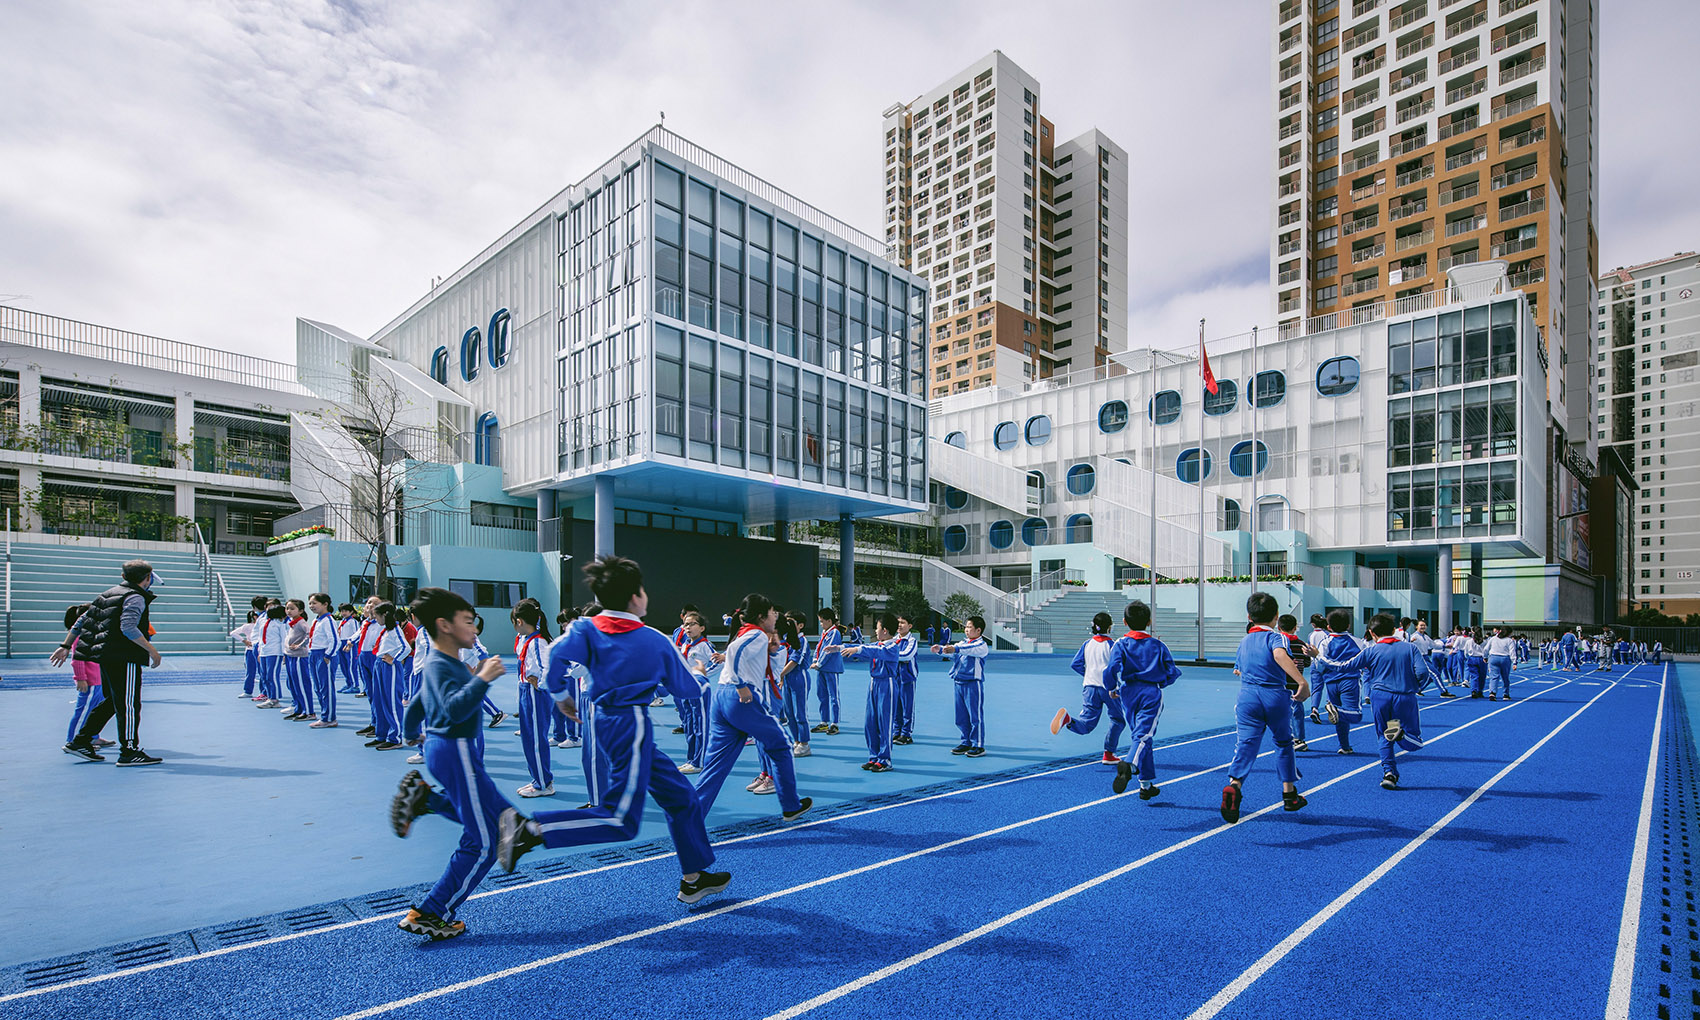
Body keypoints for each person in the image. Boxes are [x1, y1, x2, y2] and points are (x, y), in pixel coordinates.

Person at [495, 555, 731, 906]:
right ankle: (530, 830)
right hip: (630, 724)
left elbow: (555, 661)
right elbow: (688, 690)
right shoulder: (653, 639)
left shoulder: (585, 628)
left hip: (606, 720)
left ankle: (693, 877)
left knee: (682, 799)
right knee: (621, 821)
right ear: (636, 597)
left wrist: (560, 696)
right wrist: (698, 671)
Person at [387, 586, 510, 940]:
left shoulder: (442, 663)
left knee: (498, 826)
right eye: (468, 622)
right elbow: (455, 707)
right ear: (444, 625)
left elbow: (419, 703)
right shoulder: (444, 663)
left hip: (447, 750)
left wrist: (412, 733)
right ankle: (433, 911)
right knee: (488, 840)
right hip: (455, 751)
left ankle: (428, 800)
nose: (475, 629)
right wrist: (483, 679)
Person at [693, 593, 812, 819]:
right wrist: (740, 685)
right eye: (771, 613)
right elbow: (736, 651)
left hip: (722, 698)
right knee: (782, 745)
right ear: (760, 616)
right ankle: (790, 805)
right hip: (741, 698)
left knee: (716, 763)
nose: (774, 616)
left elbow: (739, 651)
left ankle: (692, 813)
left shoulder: (749, 632)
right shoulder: (756, 633)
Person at [55, 559, 164, 766]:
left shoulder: (106, 594)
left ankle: (81, 741)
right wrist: (152, 651)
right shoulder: (136, 597)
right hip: (125, 656)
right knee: (129, 704)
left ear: (123, 577)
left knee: (113, 702)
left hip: (104, 655)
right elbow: (129, 627)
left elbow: (81, 621)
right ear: (148, 578)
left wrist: (66, 645)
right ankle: (129, 750)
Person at [1219, 593, 1310, 823]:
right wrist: (1301, 681)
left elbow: (1238, 669)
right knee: (1283, 742)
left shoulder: (1244, 641)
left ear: (1249, 616)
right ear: (1276, 617)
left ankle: (1235, 785)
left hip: (1247, 696)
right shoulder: (1277, 638)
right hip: (1274, 694)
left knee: (1247, 743)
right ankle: (1289, 793)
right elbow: (1279, 655)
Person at [1326, 613, 1427, 790]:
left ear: (1372, 633)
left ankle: (1389, 772)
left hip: (1380, 697)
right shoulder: (1410, 649)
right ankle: (1401, 735)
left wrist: (1319, 657)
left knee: (1383, 735)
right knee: (1415, 741)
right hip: (1404, 696)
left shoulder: (1371, 651)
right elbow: (1423, 673)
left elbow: (1344, 666)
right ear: (1394, 630)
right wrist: (1415, 687)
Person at [1101, 600, 1181, 799]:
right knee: (1143, 736)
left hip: (1127, 693)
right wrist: (1161, 683)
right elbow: (1172, 672)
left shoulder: (1120, 643)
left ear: (1124, 622)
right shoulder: (1158, 645)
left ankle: (1145, 785)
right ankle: (1130, 765)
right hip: (1150, 692)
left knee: (1141, 736)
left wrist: (1112, 687)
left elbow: (1111, 669)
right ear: (1149, 621)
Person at [1051, 612, 1129, 766]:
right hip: (1109, 688)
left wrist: (1087, 674)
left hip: (1089, 687)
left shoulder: (1087, 644)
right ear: (1110, 627)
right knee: (1118, 720)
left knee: (1087, 724)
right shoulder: (1112, 645)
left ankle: (1068, 720)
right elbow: (1117, 666)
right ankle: (1109, 753)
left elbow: (1075, 664)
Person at [832, 613, 902, 772]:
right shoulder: (878, 644)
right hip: (874, 683)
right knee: (870, 722)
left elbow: (876, 652)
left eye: (876, 628)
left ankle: (885, 760)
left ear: (884, 630)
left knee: (885, 723)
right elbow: (870, 649)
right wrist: (839, 648)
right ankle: (874, 757)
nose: (875, 632)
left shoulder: (892, 646)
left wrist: (857, 649)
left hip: (887, 684)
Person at [512, 602, 556, 798]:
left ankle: (543, 784)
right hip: (526, 690)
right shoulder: (526, 639)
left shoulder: (538, 642)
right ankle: (538, 778)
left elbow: (547, 667)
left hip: (535, 693)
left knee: (537, 739)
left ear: (519, 621)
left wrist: (540, 685)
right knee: (529, 738)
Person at [1309, 608, 1366, 754]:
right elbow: (1366, 660)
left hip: (1331, 682)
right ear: (1348, 625)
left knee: (1340, 716)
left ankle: (1345, 746)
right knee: (1354, 714)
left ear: (1329, 627)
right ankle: (1338, 714)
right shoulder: (1358, 642)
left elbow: (1319, 664)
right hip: (1350, 681)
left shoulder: (1325, 642)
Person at [934, 614, 990, 756]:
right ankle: (966, 741)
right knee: (961, 715)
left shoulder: (981, 645)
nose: (966, 629)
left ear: (978, 630)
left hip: (972, 683)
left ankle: (978, 744)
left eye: (969, 627)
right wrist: (940, 650)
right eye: (966, 627)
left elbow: (967, 650)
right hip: (958, 682)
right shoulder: (962, 644)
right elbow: (953, 654)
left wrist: (955, 649)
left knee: (975, 715)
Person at [61, 604, 110, 747]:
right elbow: (77, 659)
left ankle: (93, 736)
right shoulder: (80, 635)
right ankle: (74, 740)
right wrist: (80, 678)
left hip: (98, 679)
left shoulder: (91, 633)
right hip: (90, 681)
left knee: (95, 710)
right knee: (84, 710)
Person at [674, 611, 716, 774]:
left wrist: (702, 674)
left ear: (702, 628)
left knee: (700, 723)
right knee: (689, 724)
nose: (688, 627)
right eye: (685, 624)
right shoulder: (685, 644)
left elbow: (717, 662)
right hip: (686, 688)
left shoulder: (704, 645)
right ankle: (691, 759)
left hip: (699, 687)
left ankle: (700, 761)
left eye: (692, 624)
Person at [371, 602, 407, 750]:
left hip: (389, 667)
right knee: (379, 701)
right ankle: (382, 734)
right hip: (379, 664)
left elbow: (406, 647)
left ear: (385, 614)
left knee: (391, 702)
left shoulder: (395, 630)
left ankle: (395, 737)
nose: (375, 619)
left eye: (377, 615)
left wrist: (395, 659)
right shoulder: (386, 631)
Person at [1278, 614, 1315, 751]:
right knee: (1297, 710)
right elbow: (1307, 662)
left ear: (1279, 627)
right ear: (1295, 628)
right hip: (1296, 683)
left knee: (1280, 712)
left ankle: (1284, 738)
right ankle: (1299, 738)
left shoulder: (1277, 643)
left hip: (1280, 683)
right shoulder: (1301, 644)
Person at [306, 593, 341, 729]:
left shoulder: (328, 620)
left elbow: (335, 640)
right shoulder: (317, 620)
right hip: (314, 654)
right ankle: (324, 715)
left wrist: (327, 656)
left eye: (315, 603)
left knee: (326, 687)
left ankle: (330, 718)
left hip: (324, 655)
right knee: (318, 687)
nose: (311, 606)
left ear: (325, 604)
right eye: (310, 603)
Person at [781, 610, 812, 757]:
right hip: (786, 678)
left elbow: (794, 661)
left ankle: (804, 743)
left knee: (800, 712)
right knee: (789, 712)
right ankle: (796, 740)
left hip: (799, 677)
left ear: (800, 625)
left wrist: (780, 673)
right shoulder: (785, 639)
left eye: (790, 622)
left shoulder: (802, 640)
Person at [812, 607, 844, 736]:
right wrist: (815, 659)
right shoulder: (825, 632)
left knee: (833, 696)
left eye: (822, 621)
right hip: (822, 669)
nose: (820, 624)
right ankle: (824, 721)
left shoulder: (834, 633)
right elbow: (818, 647)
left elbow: (828, 651)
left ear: (829, 621)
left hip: (830, 669)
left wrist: (818, 663)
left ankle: (835, 723)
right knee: (822, 695)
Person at [282, 599, 315, 721]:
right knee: (293, 684)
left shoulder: (301, 623)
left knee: (302, 684)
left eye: (292, 608)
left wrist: (300, 645)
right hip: (290, 656)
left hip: (299, 657)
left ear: (300, 611)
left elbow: (310, 634)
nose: (289, 611)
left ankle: (309, 712)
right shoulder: (292, 623)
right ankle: (299, 709)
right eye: (287, 608)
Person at [892, 614, 920, 745]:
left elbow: (906, 655)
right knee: (896, 706)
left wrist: (890, 655)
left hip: (907, 678)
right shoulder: (893, 640)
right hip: (895, 677)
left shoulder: (912, 641)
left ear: (910, 626)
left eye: (903, 622)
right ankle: (897, 731)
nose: (899, 625)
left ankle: (907, 734)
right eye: (898, 622)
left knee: (907, 706)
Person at [255, 602, 287, 709]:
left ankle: (275, 699)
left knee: (272, 676)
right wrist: (260, 652)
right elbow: (260, 638)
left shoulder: (279, 625)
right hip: (265, 652)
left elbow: (284, 639)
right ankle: (269, 697)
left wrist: (284, 653)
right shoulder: (264, 623)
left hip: (275, 652)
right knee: (264, 676)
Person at [1484, 625, 1516, 701]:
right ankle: (1506, 694)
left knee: (1494, 677)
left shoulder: (1493, 639)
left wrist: (1485, 657)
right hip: (1505, 658)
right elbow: (1512, 652)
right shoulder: (1509, 640)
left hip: (1493, 657)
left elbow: (1486, 649)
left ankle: (1492, 692)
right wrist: (1514, 662)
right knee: (1505, 677)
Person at [232, 610, 259, 698]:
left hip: (255, 650)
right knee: (255, 672)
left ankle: (249, 691)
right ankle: (262, 692)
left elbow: (233, 633)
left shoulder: (250, 626)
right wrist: (245, 641)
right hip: (255, 650)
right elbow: (233, 633)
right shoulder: (250, 626)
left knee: (251, 672)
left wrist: (244, 641)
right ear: (255, 617)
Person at [335, 603, 361, 694]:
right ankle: (348, 683)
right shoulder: (342, 621)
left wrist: (351, 644)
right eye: (342, 611)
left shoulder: (353, 622)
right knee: (343, 665)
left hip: (350, 644)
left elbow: (357, 634)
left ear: (351, 612)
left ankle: (355, 685)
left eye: (346, 611)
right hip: (341, 643)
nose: (343, 613)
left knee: (351, 666)